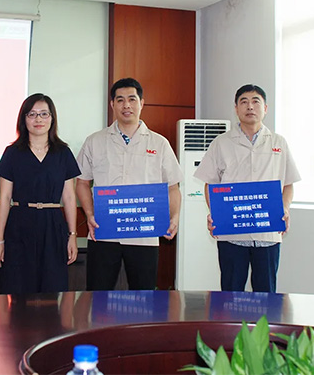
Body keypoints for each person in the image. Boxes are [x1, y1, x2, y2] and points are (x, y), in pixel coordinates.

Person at [76, 78, 183, 291]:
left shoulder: (159, 143)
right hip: (104, 232)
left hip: (144, 234)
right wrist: (89, 214)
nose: (126, 105)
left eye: (132, 99)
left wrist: (175, 217)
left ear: (141, 103)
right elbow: (82, 182)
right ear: (112, 104)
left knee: (144, 296)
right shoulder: (95, 141)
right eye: (120, 100)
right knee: (97, 295)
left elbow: (172, 187)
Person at [194, 84, 301, 293]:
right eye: (244, 102)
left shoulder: (279, 142)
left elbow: (288, 184)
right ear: (236, 109)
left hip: (268, 232)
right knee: (230, 293)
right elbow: (210, 183)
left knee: (266, 293)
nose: (250, 106)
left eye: (255, 102)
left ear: (265, 108)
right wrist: (216, 213)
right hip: (232, 233)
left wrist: (285, 208)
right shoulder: (221, 143)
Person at [0, 93, 80, 293]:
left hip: (53, 226)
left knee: (52, 287)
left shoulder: (63, 153)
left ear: (52, 118)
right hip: (20, 225)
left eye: (43, 114)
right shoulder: (12, 153)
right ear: (23, 119)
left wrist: (72, 235)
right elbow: (5, 198)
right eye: (32, 114)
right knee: (17, 287)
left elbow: (69, 197)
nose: (38, 119)